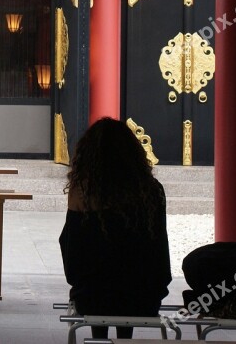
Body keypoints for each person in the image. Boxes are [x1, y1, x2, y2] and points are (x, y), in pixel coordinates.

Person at [59, 117, 171, 340]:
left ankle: (99, 337)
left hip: (94, 298)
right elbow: (159, 249)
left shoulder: (84, 192)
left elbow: (72, 254)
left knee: (99, 290)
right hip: (143, 298)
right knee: (125, 287)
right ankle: (124, 338)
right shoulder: (152, 191)